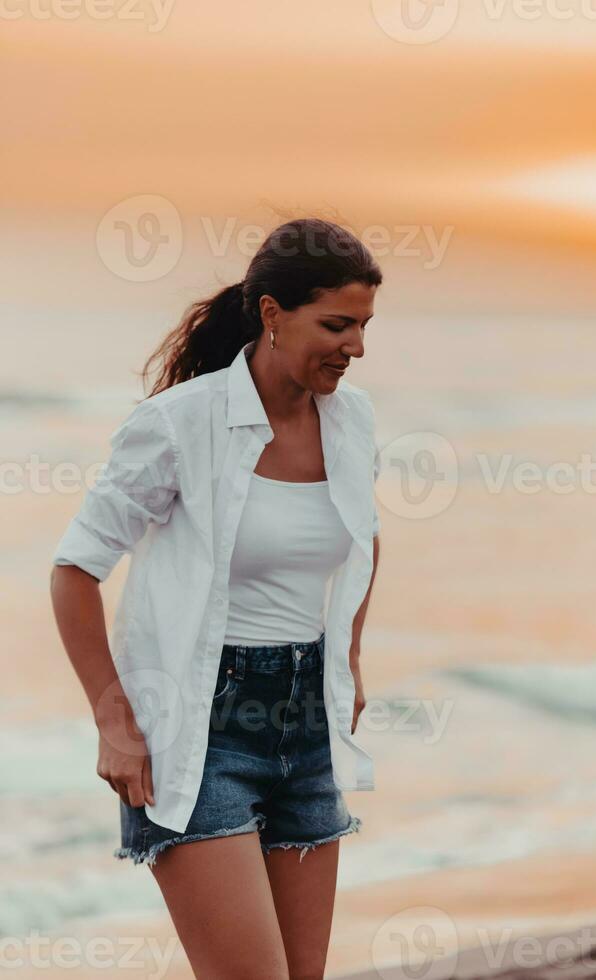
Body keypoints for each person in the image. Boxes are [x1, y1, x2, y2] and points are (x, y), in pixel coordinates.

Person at [50, 217, 383, 979]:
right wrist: (114, 718)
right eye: (336, 325)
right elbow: (75, 569)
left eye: (364, 327)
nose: (355, 347)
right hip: (199, 727)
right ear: (272, 314)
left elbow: (365, 539)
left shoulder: (353, 420)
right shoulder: (178, 424)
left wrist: (351, 657)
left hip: (307, 727)